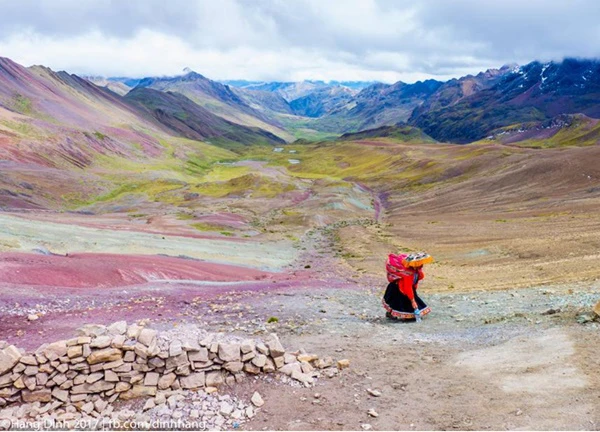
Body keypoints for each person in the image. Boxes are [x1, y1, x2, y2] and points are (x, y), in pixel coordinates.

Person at [382, 252, 432, 321]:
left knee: (398, 304)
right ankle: (396, 315)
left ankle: (395, 315)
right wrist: (413, 301)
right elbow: (407, 288)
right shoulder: (408, 274)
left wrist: (413, 293)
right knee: (398, 303)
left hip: (404, 289)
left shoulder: (416, 272)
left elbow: (413, 284)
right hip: (399, 290)